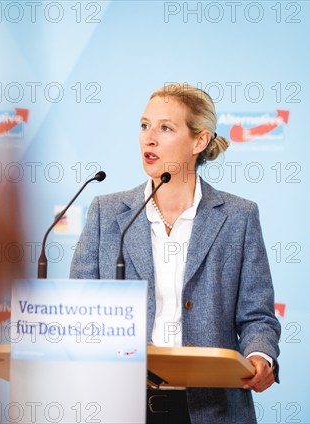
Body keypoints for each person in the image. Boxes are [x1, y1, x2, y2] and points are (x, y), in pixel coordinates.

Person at [70, 83, 280, 424]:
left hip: (212, 407)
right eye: (144, 126)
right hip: (120, 405)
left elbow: (257, 315)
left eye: (165, 128)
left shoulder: (239, 216)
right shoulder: (105, 213)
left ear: (199, 141)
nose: (148, 138)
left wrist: (260, 356)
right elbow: (80, 307)